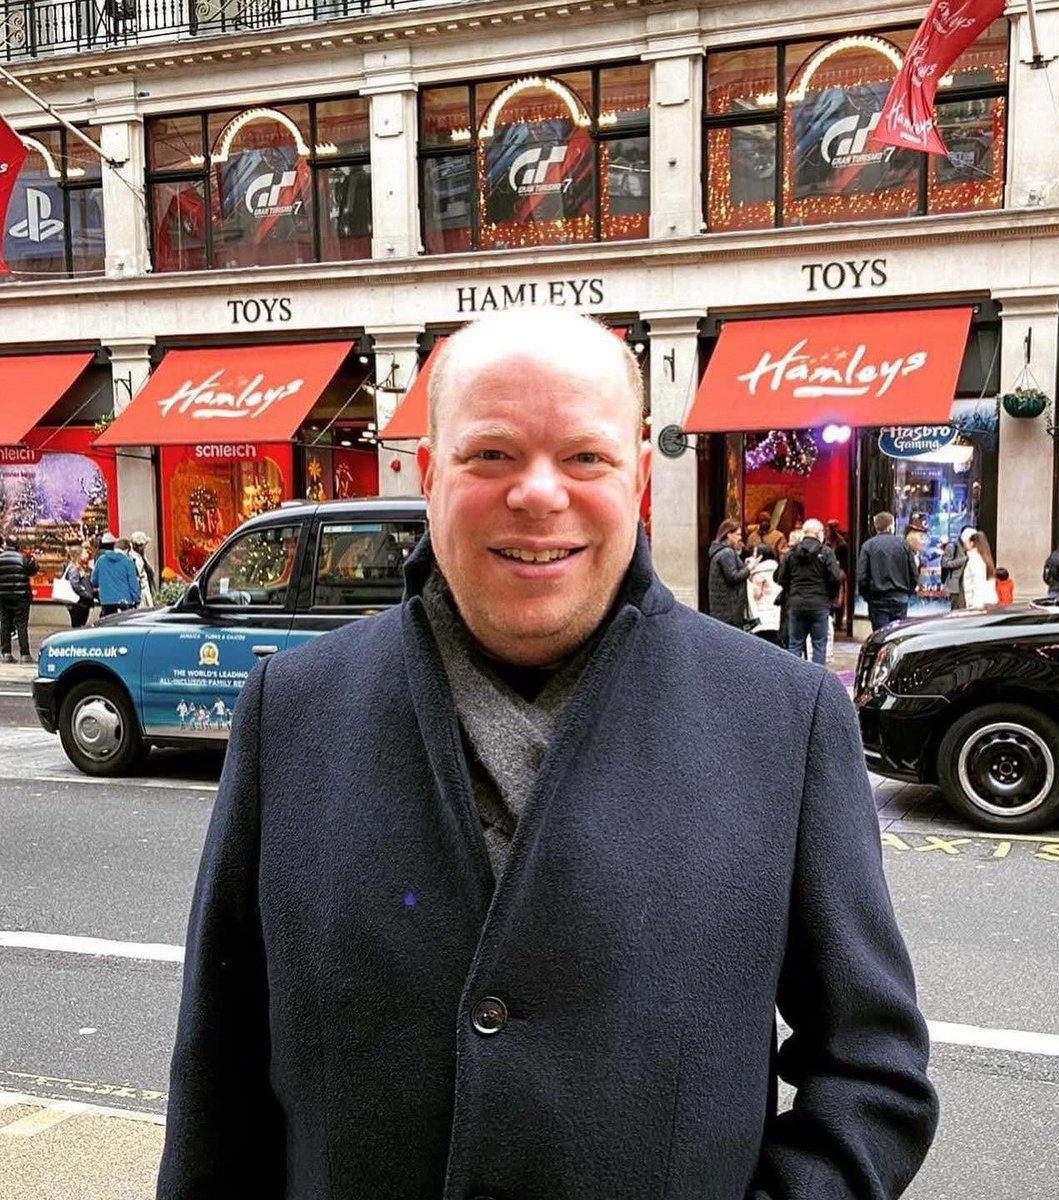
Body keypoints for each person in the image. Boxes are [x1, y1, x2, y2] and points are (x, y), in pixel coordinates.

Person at [158, 309, 937, 1200]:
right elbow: (218, 1078)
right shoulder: (291, 711)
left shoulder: (784, 719)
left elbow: (874, 1073)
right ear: (429, 474)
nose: (538, 493)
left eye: (584, 457)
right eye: (490, 454)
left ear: (638, 477)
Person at [775, 518, 841, 665]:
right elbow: (835, 577)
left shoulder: (791, 553)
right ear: (818, 533)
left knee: (795, 644)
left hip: (797, 603)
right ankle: (816, 681)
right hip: (819, 604)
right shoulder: (826, 552)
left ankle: (794, 681)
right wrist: (829, 596)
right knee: (819, 645)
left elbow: (781, 577)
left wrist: (792, 591)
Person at [857, 511, 919, 631]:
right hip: (900, 598)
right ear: (891, 526)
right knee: (897, 636)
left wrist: (868, 596)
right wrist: (907, 593)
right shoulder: (903, 545)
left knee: (880, 637)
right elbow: (914, 574)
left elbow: (861, 577)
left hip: (877, 600)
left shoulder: (868, 546)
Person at [707, 517, 756, 628]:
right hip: (729, 611)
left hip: (723, 611)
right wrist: (749, 568)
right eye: (738, 534)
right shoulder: (727, 552)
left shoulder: (721, 551)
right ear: (729, 534)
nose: (740, 538)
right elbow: (733, 577)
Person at [0, 536, 37, 662]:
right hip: (21, 596)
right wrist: (32, 560)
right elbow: (33, 571)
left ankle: (6, 653)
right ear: (17, 545)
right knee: (21, 625)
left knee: (5, 623)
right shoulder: (22, 558)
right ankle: (25, 654)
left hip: (3, 595)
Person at [91, 533, 141, 617]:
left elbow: (94, 580)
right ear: (127, 550)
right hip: (125, 602)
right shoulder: (128, 562)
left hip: (106, 601)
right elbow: (133, 584)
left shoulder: (101, 560)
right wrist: (137, 600)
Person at [745, 541, 783, 646]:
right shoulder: (777, 568)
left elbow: (756, 594)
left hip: (763, 614)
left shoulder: (759, 573)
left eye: (754, 554)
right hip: (776, 613)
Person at [962, 529, 999, 608]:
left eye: (965, 542)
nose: (963, 545)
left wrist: (975, 606)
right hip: (987, 601)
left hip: (979, 604)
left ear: (971, 543)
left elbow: (978, 583)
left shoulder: (975, 560)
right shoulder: (984, 558)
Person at [63, 544, 94, 628]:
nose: (87, 555)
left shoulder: (81, 567)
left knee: (80, 624)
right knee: (78, 624)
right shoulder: (74, 568)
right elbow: (74, 584)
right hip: (78, 602)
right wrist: (85, 593)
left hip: (81, 601)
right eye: (84, 553)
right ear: (78, 555)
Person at [941, 528, 970, 610]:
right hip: (955, 585)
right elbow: (945, 563)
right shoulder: (953, 546)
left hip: (966, 584)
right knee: (957, 610)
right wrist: (963, 559)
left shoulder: (969, 546)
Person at [128, 531, 156, 608]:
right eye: (144, 545)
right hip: (142, 593)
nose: (145, 547)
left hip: (146, 590)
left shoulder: (141, 556)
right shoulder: (134, 559)